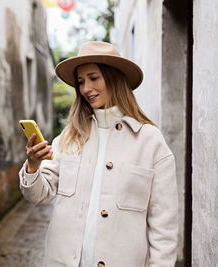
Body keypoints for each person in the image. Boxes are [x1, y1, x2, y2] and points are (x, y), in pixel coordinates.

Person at [19, 41, 178, 267]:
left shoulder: (150, 141)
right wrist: (33, 167)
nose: (86, 88)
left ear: (113, 77)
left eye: (94, 78)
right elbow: (38, 195)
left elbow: (164, 228)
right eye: (81, 82)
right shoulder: (69, 137)